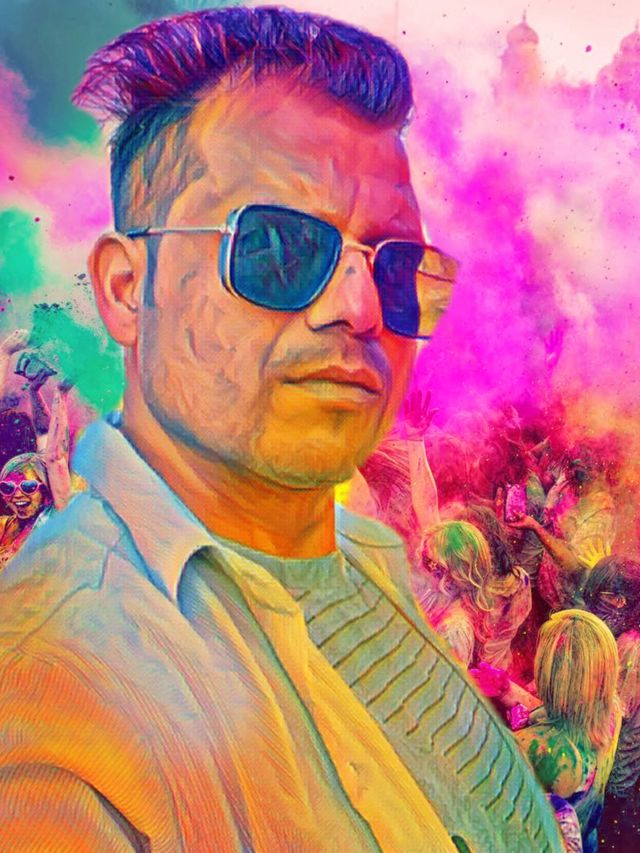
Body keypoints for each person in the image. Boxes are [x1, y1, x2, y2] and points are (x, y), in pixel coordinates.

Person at [0, 8, 560, 851]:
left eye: (398, 268)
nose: (360, 308)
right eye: (277, 248)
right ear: (125, 289)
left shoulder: (367, 558)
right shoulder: (52, 698)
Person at [472, 610, 621, 852]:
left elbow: (481, 798)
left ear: (549, 675)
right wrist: (507, 691)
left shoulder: (535, 749)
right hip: (586, 833)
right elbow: (562, 712)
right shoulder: (611, 709)